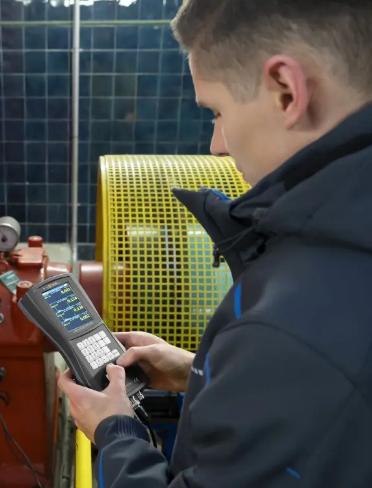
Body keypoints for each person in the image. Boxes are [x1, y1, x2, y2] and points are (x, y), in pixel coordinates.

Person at [59, 0, 372, 486]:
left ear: (286, 91)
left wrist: (117, 432)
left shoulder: (288, 328)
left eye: (217, 111)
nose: (216, 144)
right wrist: (200, 372)